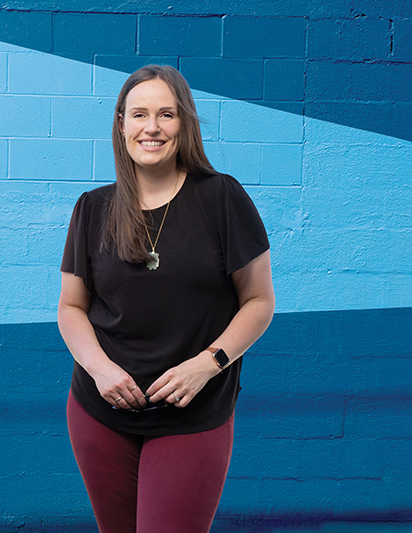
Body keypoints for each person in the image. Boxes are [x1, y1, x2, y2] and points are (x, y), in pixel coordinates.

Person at [57, 65, 275, 532]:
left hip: (193, 414)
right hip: (101, 411)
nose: (151, 127)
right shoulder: (92, 208)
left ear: (184, 124)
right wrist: (100, 369)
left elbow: (258, 302)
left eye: (165, 114)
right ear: (121, 124)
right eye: (139, 114)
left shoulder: (221, 198)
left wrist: (207, 363)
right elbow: (71, 307)